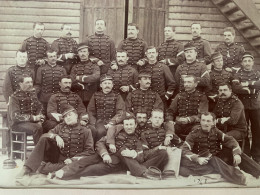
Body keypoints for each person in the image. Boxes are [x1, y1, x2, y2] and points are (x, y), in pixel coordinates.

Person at [16, 104, 96, 178]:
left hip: (74, 161)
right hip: (59, 159)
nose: (68, 118)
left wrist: (73, 159)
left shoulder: (86, 130)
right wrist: (56, 136)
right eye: (65, 116)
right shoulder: (60, 127)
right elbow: (45, 135)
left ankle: (52, 168)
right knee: (44, 139)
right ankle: (26, 168)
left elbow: (89, 151)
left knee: (43, 168)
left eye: (70, 115)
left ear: (76, 115)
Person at [180, 112, 260, 185]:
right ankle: (240, 179)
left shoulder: (215, 131)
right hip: (202, 160)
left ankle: (258, 171)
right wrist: (197, 159)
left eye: (208, 121)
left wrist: (236, 154)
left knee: (235, 153)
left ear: (213, 122)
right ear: (200, 121)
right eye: (203, 120)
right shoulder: (193, 134)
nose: (205, 123)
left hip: (216, 157)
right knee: (214, 160)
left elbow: (230, 140)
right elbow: (184, 149)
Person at [114, 115, 169, 179]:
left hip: (138, 162)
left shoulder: (139, 135)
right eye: (126, 125)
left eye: (131, 124)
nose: (129, 127)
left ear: (135, 125)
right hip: (125, 163)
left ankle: (138, 170)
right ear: (123, 126)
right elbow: (118, 149)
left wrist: (134, 154)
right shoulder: (117, 134)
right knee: (125, 153)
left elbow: (142, 155)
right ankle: (144, 172)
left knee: (163, 152)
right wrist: (129, 153)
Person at [233, 52, 260, 163]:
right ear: (242, 63)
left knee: (257, 130)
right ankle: (246, 155)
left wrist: (246, 84)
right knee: (244, 130)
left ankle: (257, 155)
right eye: (245, 61)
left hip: (255, 106)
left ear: (252, 62)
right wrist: (252, 87)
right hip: (243, 106)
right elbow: (235, 88)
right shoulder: (237, 74)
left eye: (249, 61)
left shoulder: (257, 73)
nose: (247, 63)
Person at [166, 75, 208, 139]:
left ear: (196, 84)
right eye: (185, 82)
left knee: (197, 131)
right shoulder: (179, 95)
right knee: (167, 129)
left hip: (194, 124)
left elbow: (203, 114)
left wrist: (189, 119)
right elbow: (170, 111)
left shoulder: (202, 96)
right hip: (179, 124)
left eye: (189, 82)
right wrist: (170, 121)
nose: (186, 84)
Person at [87, 74, 126, 142]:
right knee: (95, 131)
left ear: (112, 85)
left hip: (112, 121)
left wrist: (111, 122)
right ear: (101, 85)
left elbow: (121, 111)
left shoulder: (117, 96)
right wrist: (93, 123)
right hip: (99, 121)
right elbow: (90, 110)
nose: (107, 85)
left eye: (109, 83)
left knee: (104, 132)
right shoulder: (95, 95)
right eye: (105, 83)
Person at [8, 75, 44, 145]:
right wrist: (34, 118)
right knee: (37, 128)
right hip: (18, 124)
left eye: (31, 82)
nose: (30, 84)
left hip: (31, 123)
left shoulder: (33, 94)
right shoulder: (14, 97)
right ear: (20, 84)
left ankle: (46, 151)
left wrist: (39, 119)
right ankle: (39, 153)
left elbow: (40, 107)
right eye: (27, 82)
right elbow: (15, 117)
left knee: (48, 126)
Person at [34, 49, 67, 114]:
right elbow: (38, 84)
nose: (53, 58)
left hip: (58, 99)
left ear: (56, 57)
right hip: (44, 99)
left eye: (54, 56)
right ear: (47, 58)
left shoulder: (62, 69)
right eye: (51, 57)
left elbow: (65, 84)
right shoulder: (41, 69)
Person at [70, 43, 100, 108]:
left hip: (91, 95)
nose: (82, 54)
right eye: (80, 52)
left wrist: (80, 78)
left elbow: (95, 77)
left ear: (88, 53)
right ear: (78, 54)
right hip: (78, 95)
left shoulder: (94, 66)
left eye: (84, 51)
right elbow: (72, 79)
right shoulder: (75, 66)